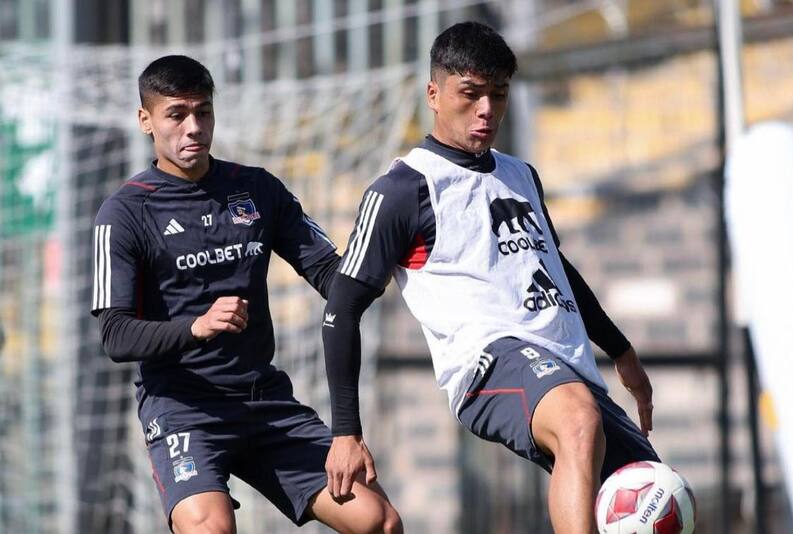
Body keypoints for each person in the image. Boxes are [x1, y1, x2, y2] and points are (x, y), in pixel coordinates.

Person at [321, 22, 659, 533]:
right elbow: (342, 306)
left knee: (656, 493)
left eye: (497, 95)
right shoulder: (404, 190)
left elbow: (554, 270)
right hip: (488, 365)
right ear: (434, 94)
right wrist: (346, 431)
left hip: (568, 370)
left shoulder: (521, 175)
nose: (486, 110)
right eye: (470, 94)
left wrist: (622, 351)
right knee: (576, 420)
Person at [91, 55, 402, 534]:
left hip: (265, 402)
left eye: (204, 112)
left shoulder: (256, 189)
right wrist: (195, 328)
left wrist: (378, 260)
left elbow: (328, 274)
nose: (193, 127)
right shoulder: (124, 213)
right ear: (145, 120)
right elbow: (115, 336)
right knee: (210, 528)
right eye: (177, 114)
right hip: (183, 409)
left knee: (378, 521)